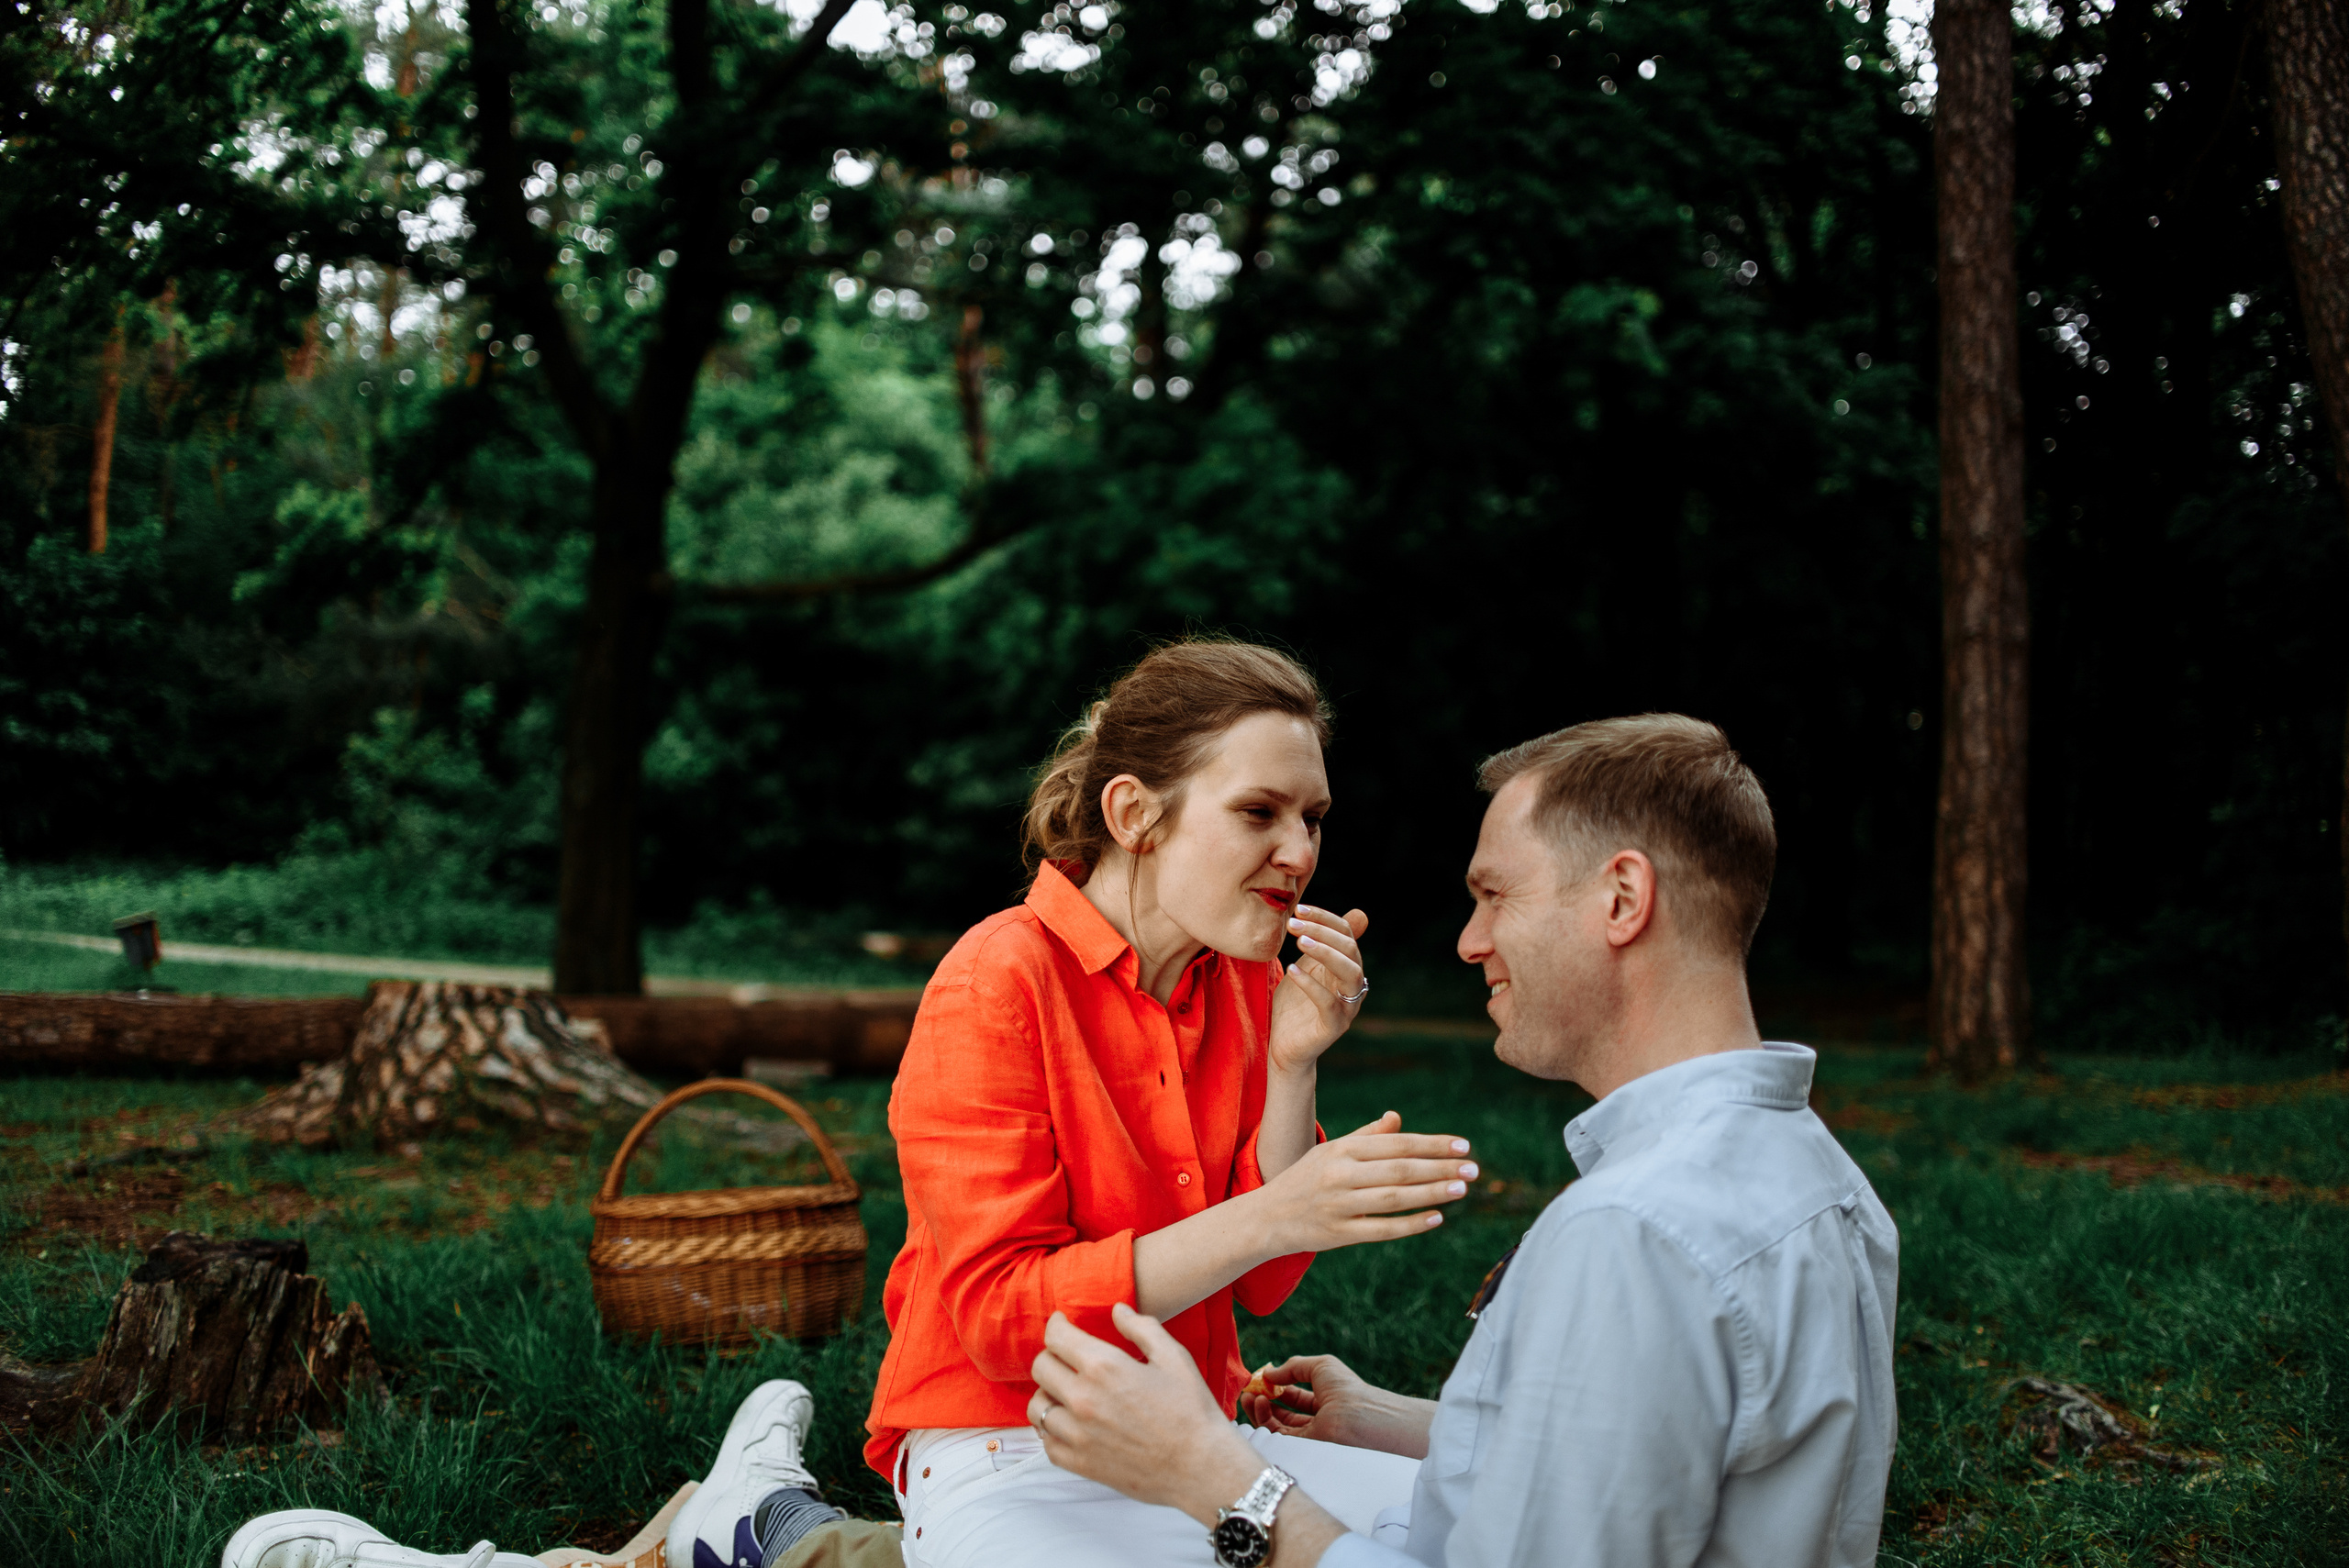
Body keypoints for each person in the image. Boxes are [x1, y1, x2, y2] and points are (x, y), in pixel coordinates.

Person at [1013, 714, 1902, 1568]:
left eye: (1492, 894)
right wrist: (1393, 1416)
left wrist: (1213, 1475)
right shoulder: (1821, 1177)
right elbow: (1654, 1448)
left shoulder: (1633, 1233)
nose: (1470, 942)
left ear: (1622, 899)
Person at [850, 639, 1477, 1568]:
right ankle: (772, 1525)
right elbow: (999, 1317)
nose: (1299, 851)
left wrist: (1294, 1058)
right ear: (1134, 812)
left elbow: (1261, 1280)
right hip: (1007, 1445)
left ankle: (803, 1537)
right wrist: (1278, 1208)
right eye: (1258, 811)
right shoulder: (995, 979)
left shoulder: (1245, 986)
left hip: (1197, 1442)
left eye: (1312, 816)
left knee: (1500, 1530)